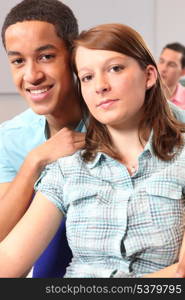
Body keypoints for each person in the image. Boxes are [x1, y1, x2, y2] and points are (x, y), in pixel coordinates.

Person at [0, 23, 185, 278]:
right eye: (87, 77)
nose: (100, 86)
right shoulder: (67, 169)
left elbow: (181, 274)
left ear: (150, 76)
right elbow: (8, 259)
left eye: (115, 68)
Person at [0, 0, 86, 277]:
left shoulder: (118, 117)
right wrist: (35, 160)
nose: (32, 75)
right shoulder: (12, 137)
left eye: (46, 56)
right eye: (17, 61)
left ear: (73, 54)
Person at [158, 42, 185, 109]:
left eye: (171, 65)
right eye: (161, 61)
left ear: (183, 72)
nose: (163, 69)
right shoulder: (143, 93)